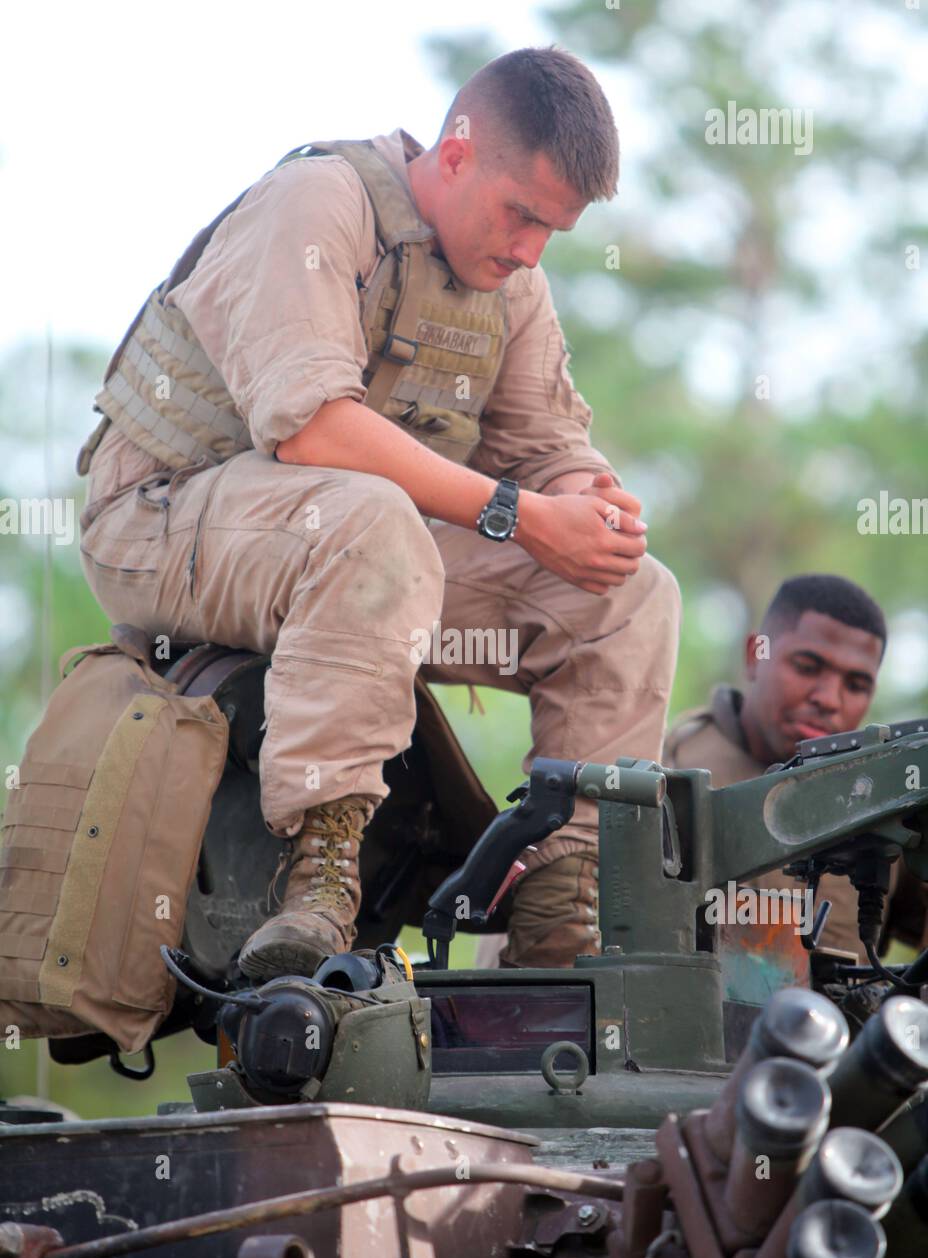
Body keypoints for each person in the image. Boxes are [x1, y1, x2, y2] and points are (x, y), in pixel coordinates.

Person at [76, 47, 681, 980]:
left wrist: (584, 503)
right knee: (370, 521)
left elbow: (543, 446)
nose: (530, 250)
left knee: (631, 595)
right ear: (457, 152)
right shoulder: (319, 204)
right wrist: (524, 515)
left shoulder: (509, 282)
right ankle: (319, 884)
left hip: (352, 545)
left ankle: (558, 938)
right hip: (163, 518)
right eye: (521, 214)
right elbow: (316, 430)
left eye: (552, 231)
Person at [663, 574, 928, 961]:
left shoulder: (886, 794)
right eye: (807, 667)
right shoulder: (665, 767)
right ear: (756, 654)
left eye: (855, 685)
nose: (828, 699)